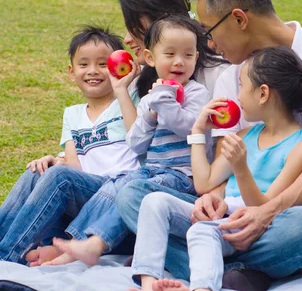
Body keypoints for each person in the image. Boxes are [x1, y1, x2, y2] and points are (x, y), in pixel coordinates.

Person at [116, 0, 302, 291]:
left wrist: (267, 212)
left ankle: (194, 263)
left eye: (207, 30)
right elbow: (223, 167)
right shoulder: (229, 78)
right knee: (134, 196)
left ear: (239, 19)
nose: (208, 43)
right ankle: (236, 270)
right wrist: (214, 200)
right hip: (234, 218)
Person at [129, 46, 302, 291]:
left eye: (241, 86)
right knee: (155, 202)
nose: (237, 95)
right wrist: (198, 130)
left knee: (202, 231)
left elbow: (264, 208)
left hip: (250, 226)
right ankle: (149, 285)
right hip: (221, 219)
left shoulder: (300, 146)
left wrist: (241, 168)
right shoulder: (246, 135)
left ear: (263, 94)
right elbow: (204, 183)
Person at [0, 25, 142, 264]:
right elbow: (74, 166)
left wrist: (128, 80)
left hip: (114, 195)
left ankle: (1, 255)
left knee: (60, 176)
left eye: (102, 64)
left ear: (115, 68)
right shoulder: (73, 114)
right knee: (37, 172)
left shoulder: (128, 99)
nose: (93, 71)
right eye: (83, 64)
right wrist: (54, 161)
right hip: (85, 193)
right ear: (71, 72)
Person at [42, 14, 211, 267]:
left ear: (196, 58)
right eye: (170, 54)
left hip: (182, 176)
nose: (179, 62)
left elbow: (189, 128)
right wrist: (150, 115)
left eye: (188, 55)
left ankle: (94, 244)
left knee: (132, 191)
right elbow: (136, 144)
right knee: (118, 184)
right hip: (153, 170)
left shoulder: (196, 92)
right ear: (151, 58)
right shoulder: (151, 97)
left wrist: (163, 102)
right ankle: (78, 240)